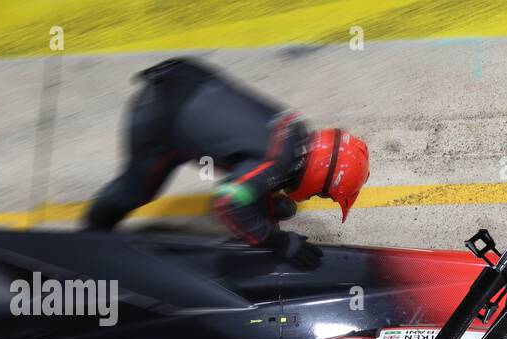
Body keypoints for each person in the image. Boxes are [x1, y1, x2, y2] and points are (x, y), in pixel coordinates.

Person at [85, 58, 369, 270]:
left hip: (187, 79)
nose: (316, 196)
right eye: (323, 192)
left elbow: (255, 168)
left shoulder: (295, 131)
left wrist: (267, 209)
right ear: (318, 177)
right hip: (161, 119)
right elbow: (227, 203)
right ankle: (88, 237)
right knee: (136, 191)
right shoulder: (277, 162)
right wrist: (277, 242)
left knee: (264, 199)